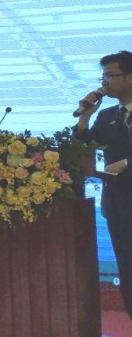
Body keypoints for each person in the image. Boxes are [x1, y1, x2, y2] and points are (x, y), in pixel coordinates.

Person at [73, 50, 132, 319]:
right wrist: (85, 118)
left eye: (110, 75)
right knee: (128, 270)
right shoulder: (107, 115)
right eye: (103, 77)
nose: (105, 82)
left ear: (129, 77)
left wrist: (128, 163)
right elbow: (83, 148)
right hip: (119, 207)